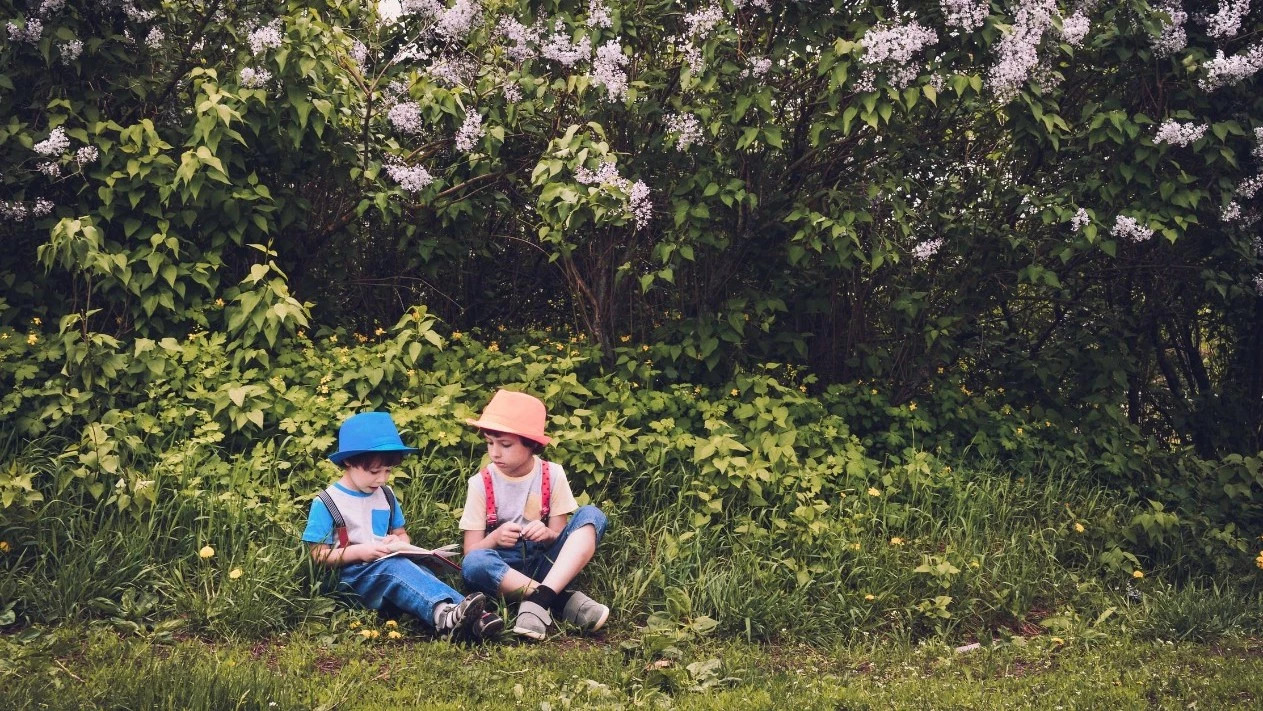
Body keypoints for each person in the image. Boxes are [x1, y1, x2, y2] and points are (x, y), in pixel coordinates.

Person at [302, 411, 503, 641]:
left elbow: (401, 534)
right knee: (395, 569)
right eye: (374, 471)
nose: (382, 479)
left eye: (387, 471)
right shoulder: (327, 502)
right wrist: (359, 552)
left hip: (383, 571)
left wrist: (399, 542)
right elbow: (318, 556)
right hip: (349, 581)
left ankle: (471, 620)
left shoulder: (385, 495)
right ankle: (445, 619)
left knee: (420, 572)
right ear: (348, 461)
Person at [459, 389, 610, 640]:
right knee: (475, 564)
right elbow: (471, 552)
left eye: (505, 445)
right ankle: (553, 599)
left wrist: (547, 535)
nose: (494, 453)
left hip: (545, 564)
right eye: (489, 443)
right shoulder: (480, 483)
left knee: (592, 515)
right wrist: (495, 538)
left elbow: (561, 539)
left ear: (531, 445)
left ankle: (540, 598)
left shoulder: (552, 474)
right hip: (504, 570)